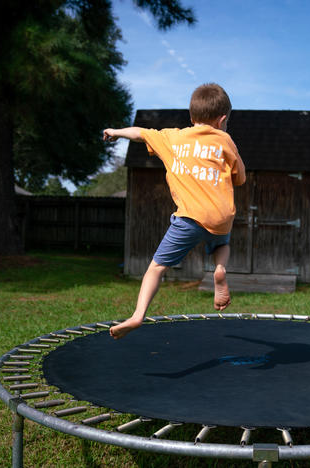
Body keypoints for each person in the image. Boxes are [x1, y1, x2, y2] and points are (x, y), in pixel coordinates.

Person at [103, 83, 246, 339]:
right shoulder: (225, 140)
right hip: (221, 217)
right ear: (223, 119)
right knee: (221, 245)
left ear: (191, 118)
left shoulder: (172, 138)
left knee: (156, 268)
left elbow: (140, 133)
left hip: (189, 217)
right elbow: (241, 179)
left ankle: (137, 315)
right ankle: (220, 269)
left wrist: (116, 132)